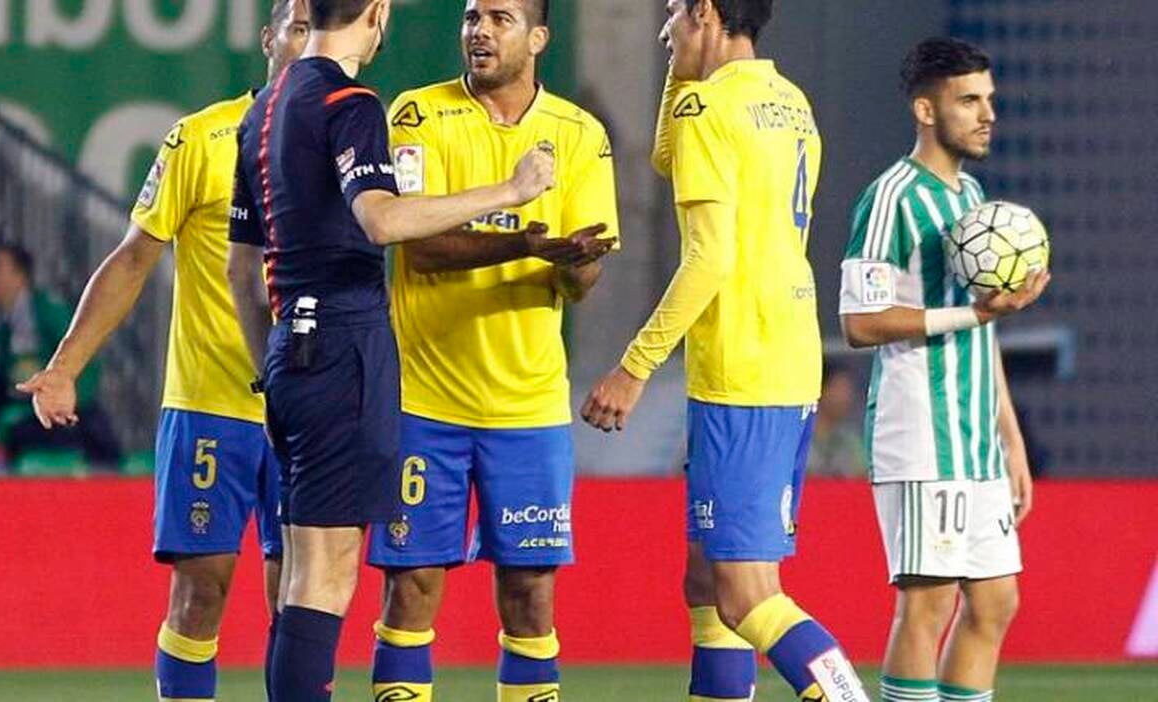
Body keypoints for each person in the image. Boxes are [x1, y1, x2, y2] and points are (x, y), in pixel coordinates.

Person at [225, 0, 556, 698]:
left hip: (290, 350)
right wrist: (511, 189)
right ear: (377, 13)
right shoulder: (349, 102)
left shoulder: (263, 109)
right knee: (325, 574)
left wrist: (270, 367)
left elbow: (240, 268)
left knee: (302, 573)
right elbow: (381, 220)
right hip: (343, 345)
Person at [17, 3, 311, 699]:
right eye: (297, 27)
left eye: (319, 28)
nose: (309, 43)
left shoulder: (350, 145)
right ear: (269, 40)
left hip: (306, 411)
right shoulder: (202, 138)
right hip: (211, 404)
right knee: (201, 591)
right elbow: (133, 257)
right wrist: (64, 366)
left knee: (301, 602)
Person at [581, 1, 870, 700]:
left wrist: (635, 366)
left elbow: (708, 258)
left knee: (746, 595)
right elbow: (667, 157)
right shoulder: (790, 102)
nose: (665, 28)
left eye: (674, 12)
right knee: (707, 581)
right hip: (783, 352)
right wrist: (685, 71)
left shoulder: (708, 110)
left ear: (706, 11)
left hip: (745, 365)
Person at [364, 1, 619, 700]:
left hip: (528, 407)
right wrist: (521, 244)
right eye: (472, 16)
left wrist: (573, 261)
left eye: (500, 18)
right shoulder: (418, 114)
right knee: (411, 585)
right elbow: (416, 244)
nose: (479, 29)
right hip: (424, 400)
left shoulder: (580, 134)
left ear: (538, 38)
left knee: (531, 592)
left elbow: (583, 282)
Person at [838, 38, 1050, 702]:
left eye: (989, 99)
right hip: (921, 433)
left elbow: (984, 331)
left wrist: (1010, 439)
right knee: (927, 606)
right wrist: (975, 314)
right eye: (969, 101)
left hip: (975, 439)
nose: (988, 115)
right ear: (926, 111)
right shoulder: (892, 197)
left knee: (995, 604)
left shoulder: (974, 197)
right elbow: (859, 322)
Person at [0, 244, 117, 464]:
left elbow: (86, 360)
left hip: (49, 407)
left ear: (20, 276)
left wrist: (67, 400)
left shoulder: (47, 311)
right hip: (0, 405)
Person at [806, 362, 867, 478]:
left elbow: (862, 475)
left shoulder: (850, 440)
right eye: (838, 390)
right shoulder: (800, 437)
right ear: (821, 390)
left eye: (848, 391)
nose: (845, 398)